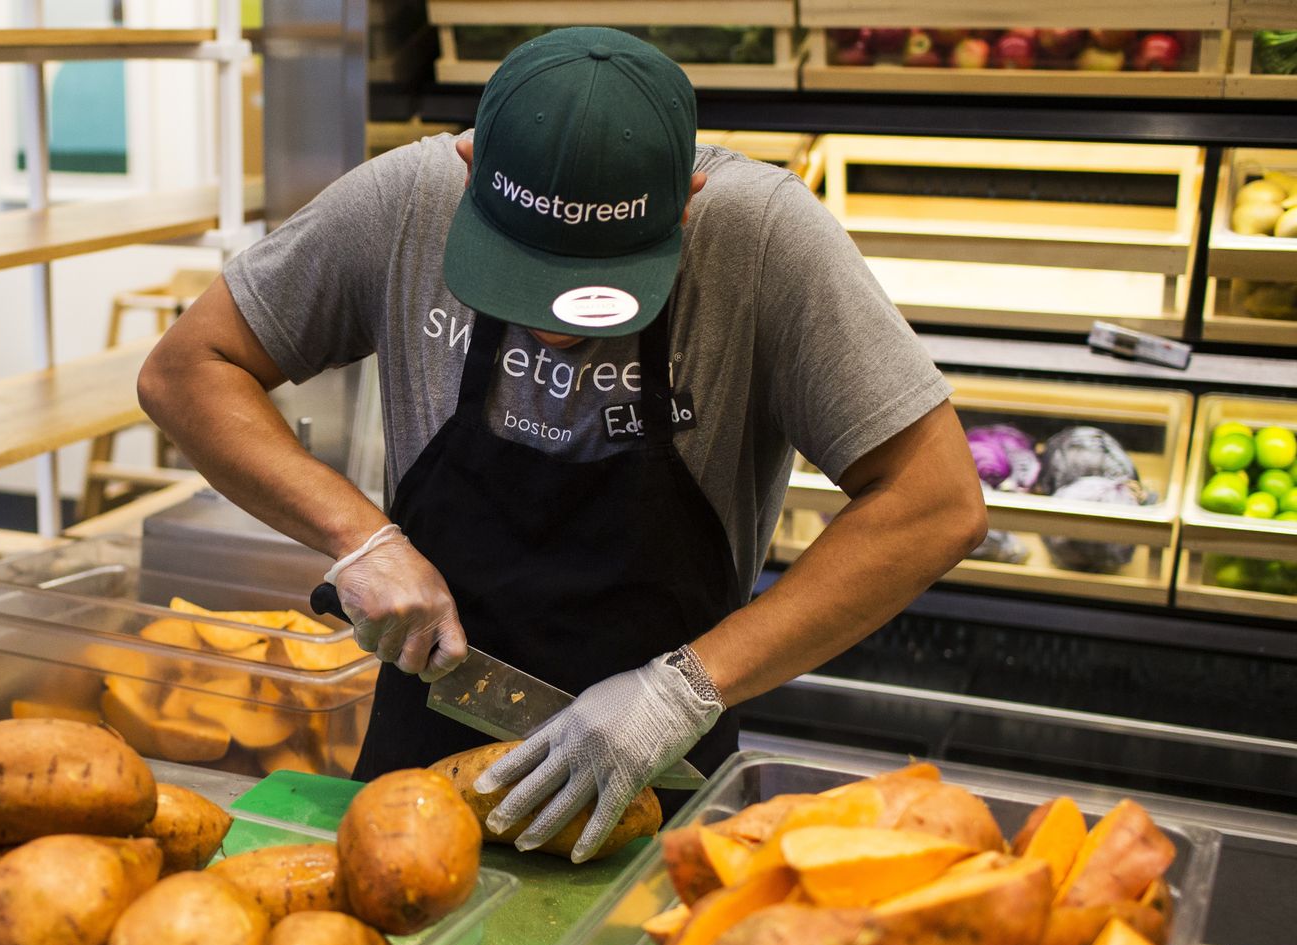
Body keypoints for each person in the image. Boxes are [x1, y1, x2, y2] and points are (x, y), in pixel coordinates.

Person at [138, 27, 987, 862]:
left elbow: (935, 501)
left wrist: (681, 691)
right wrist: (359, 537)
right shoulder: (406, 200)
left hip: (662, 773)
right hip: (420, 767)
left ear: (686, 203)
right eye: (523, 279)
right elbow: (187, 372)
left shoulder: (763, 238)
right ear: (468, 175)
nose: (553, 330)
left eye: (601, 290)